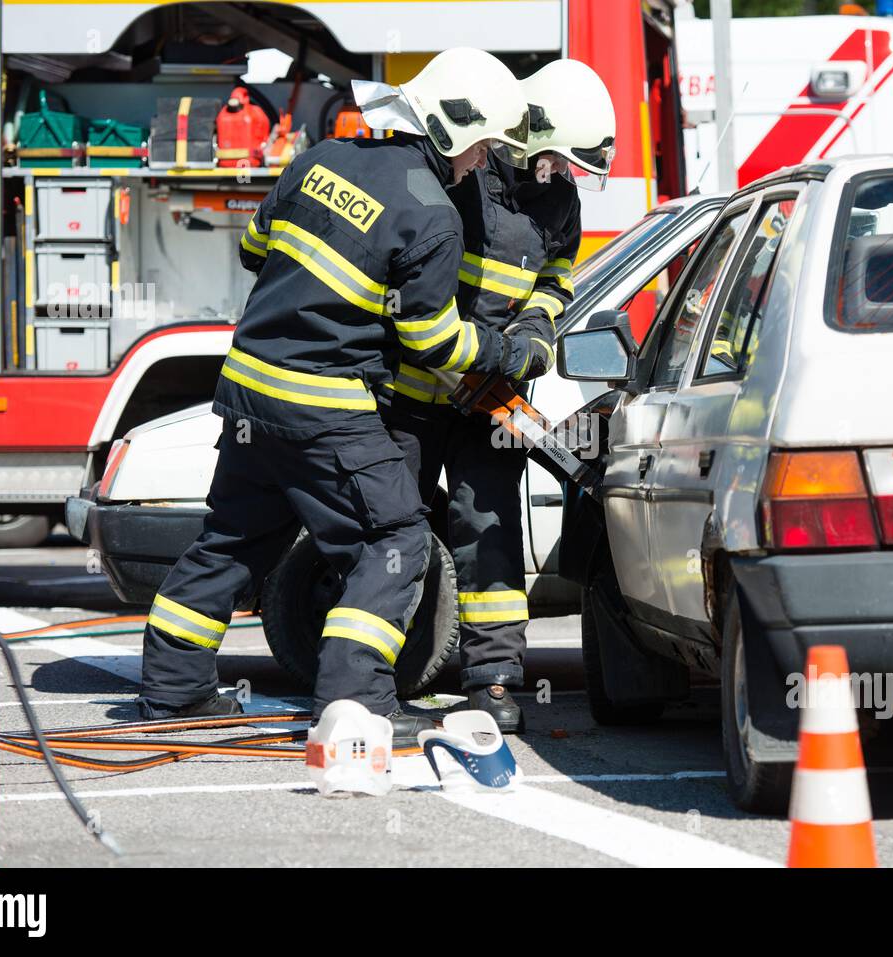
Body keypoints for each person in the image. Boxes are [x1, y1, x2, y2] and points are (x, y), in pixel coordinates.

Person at [136, 48, 538, 745]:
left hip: (248, 392)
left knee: (233, 538)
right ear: (450, 131)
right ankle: (357, 703)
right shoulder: (434, 216)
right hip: (325, 405)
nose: (482, 163)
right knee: (395, 537)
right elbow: (433, 343)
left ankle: (172, 691)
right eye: (481, 148)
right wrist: (506, 351)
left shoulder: (319, 158)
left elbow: (256, 247)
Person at [379, 59, 616, 732]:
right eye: (555, 158)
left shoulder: (560, 202)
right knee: (393, 531)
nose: (560, 172)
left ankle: (494, 684)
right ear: (522, 135)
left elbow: (555, 281)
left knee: (490, 532)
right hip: (414, 394)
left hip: (492, 398)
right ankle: (377, 684)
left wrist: (533, 337)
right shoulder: (464, 175)